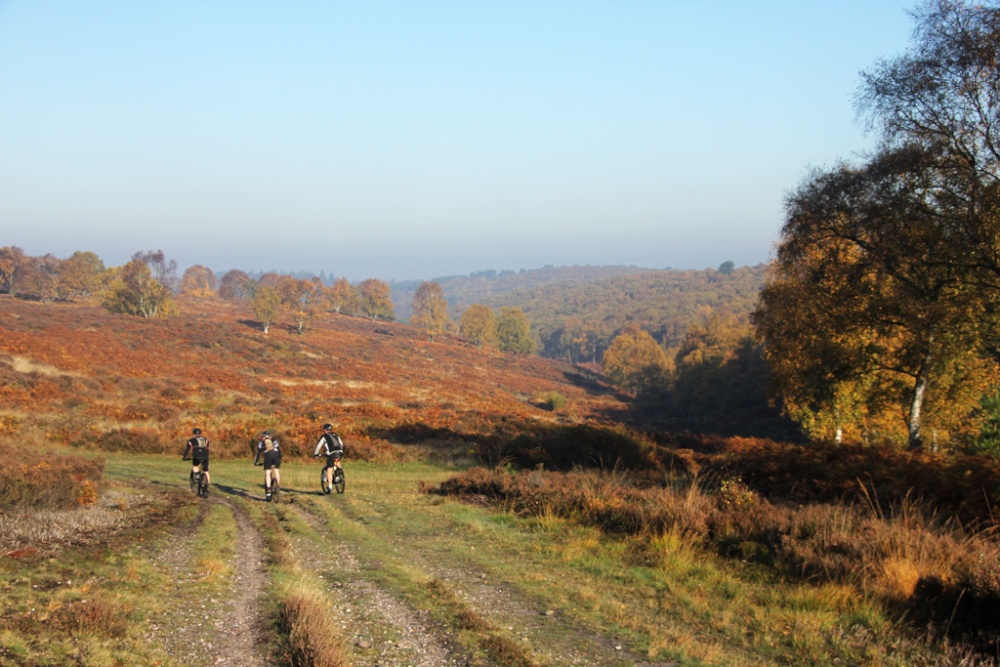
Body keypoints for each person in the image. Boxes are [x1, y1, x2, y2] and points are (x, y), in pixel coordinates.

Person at [313, 423, 344, 490]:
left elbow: (319, 446)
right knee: (337, 461)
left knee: (329, 469)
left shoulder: (324, 437)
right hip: (340, 452)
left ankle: (330, 485)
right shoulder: (336, 435)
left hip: (332, 453)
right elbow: (341, 444)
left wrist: (316, 453)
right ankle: (339, 473)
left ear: (325, 430)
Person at [255, 433, 281, 500]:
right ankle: (278, 485)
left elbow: (258, 453)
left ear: (263, 437)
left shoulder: (261, 443)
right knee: (276, 470)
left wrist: (256, 462)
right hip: (276, 456)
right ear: (269, 437)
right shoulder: (274, 441)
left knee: (267, 473)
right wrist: (280, 459)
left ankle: (268, 490)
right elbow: (279, 451)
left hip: (268, 457)